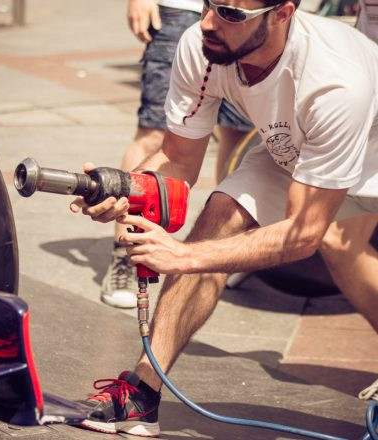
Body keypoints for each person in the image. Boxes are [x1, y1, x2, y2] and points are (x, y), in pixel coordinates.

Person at [70, 0, 378, 436]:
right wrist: (123, 191)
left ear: (283, 14)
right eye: (209, 4)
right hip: (297, 151)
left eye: (231, 14)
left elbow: (301, 236)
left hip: (372, 157)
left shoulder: (335, 81)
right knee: (219, 217)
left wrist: (183, 257)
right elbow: (178, 160)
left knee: (337, 248)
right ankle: (142, 393)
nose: (209, 22)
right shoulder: (202, 45)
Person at [101, 0, 253, 309]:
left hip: (248, 14)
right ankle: (127, 253)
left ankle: (223, 251)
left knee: (238, 137)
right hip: (181, 9)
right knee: (156, 133)